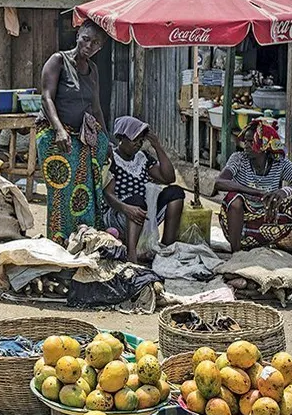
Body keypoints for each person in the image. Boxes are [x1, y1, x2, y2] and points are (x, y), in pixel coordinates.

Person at [39, 20, 109, 245]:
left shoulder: (93, 70)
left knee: (84, 193)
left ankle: (80, 240)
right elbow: (46, 97)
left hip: (81, 139)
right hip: (55, 138)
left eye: (95, 43)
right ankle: (57, 243)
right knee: (60, 194)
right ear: (78, 35)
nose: (89, 45)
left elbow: (96, 108)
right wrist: (59, 130)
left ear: (100, 48)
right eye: (86, 38)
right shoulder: (59, 60)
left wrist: (105, 141)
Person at [102, 116, 185, 262]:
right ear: (121, 138)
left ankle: (166, 246)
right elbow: (108, 194)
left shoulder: (143, 157)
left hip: (144, 212)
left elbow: (168, 178)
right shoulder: (112, 158)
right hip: (119, 213)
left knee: (175, 193)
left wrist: (157, 146)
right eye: (135, 140)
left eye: (141, 140)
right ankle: (132, 255)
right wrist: (126, 208)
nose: (138, 144)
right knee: (136, 199)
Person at [215, 120, 292, 252]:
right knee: (234, 199)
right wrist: (256, 192)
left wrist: (285, 191)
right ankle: (236, 253)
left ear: (264, 145)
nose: (246, 145)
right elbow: (219, 182)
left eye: (251, 142)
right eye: (245, 141)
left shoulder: (279, 163)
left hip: (269, 219)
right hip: (242, 222)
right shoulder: (239, 158)